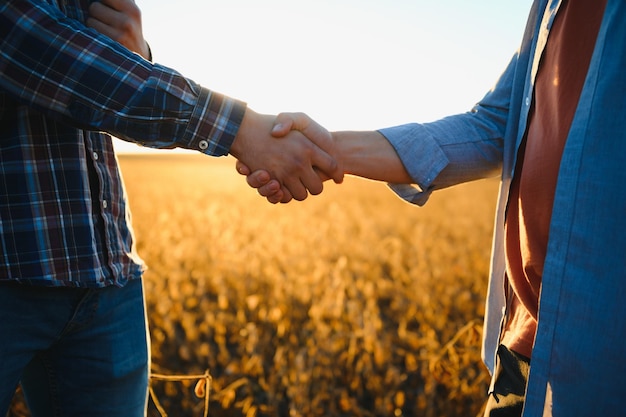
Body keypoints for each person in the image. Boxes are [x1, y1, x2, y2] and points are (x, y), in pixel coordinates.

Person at [238, 0, 626, 415]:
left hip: (603, 363)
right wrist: (324, 149)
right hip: (523, 346)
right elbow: (494, 124)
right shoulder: (550, 6)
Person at [0, 0, 342, 416]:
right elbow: (48, 56)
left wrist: (136, 55)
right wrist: (241, 129)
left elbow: (100, 89)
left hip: (107, 277)